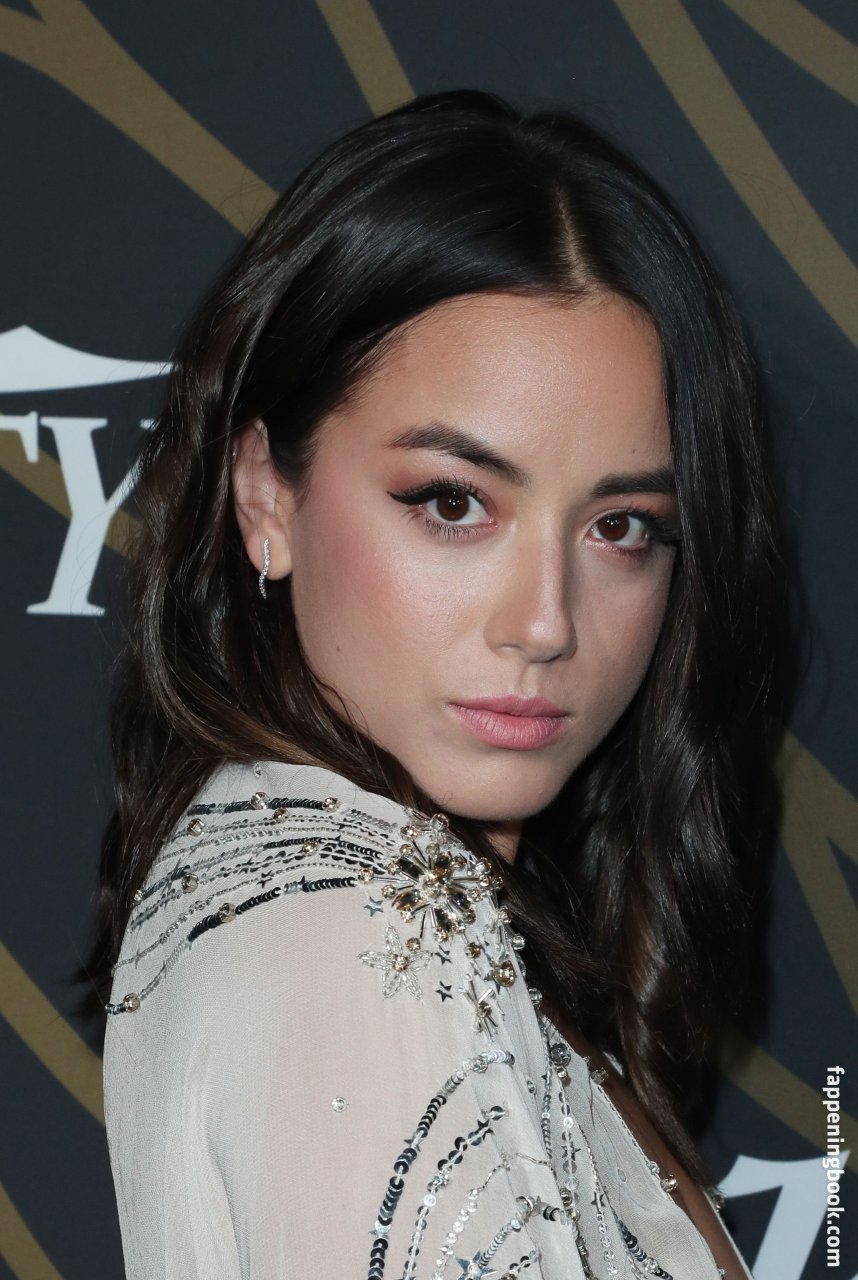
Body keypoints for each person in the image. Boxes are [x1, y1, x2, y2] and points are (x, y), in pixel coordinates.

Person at [91, 89, 790, 1279]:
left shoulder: (329, 885)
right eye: (454, 502)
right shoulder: (369, 938)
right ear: (266, 495)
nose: (544, 623)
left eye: (621, 525)